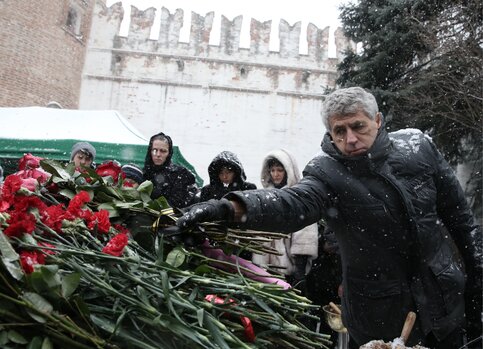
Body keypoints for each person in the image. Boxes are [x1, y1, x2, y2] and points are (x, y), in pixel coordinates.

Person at [176, 87, 482, 348]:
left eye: (358, 126)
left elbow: (460, 218)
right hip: (380, 316)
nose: (350, 139)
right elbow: (289, 204)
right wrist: (228, 208)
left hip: (442, 302)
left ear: (377, 121)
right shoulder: (327, 172)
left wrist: (477, 276)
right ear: (330, 134)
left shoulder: (418, 148)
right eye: (340, 130)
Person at [252, 149, 318, 290]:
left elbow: (304, 235)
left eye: (280, 170)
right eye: (272, 170)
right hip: (264, 269)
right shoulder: (263, 197)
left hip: (288, 269)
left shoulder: (300, 197)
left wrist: (299, 272)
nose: (275, 175)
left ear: (288, 171)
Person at [143, 132, 197, 208]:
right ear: (150, 151)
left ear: (169, 153)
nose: (158, 154)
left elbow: (178, 204)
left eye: (163, 151)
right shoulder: (145, 173)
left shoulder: (181, 174)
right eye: (154, 150)